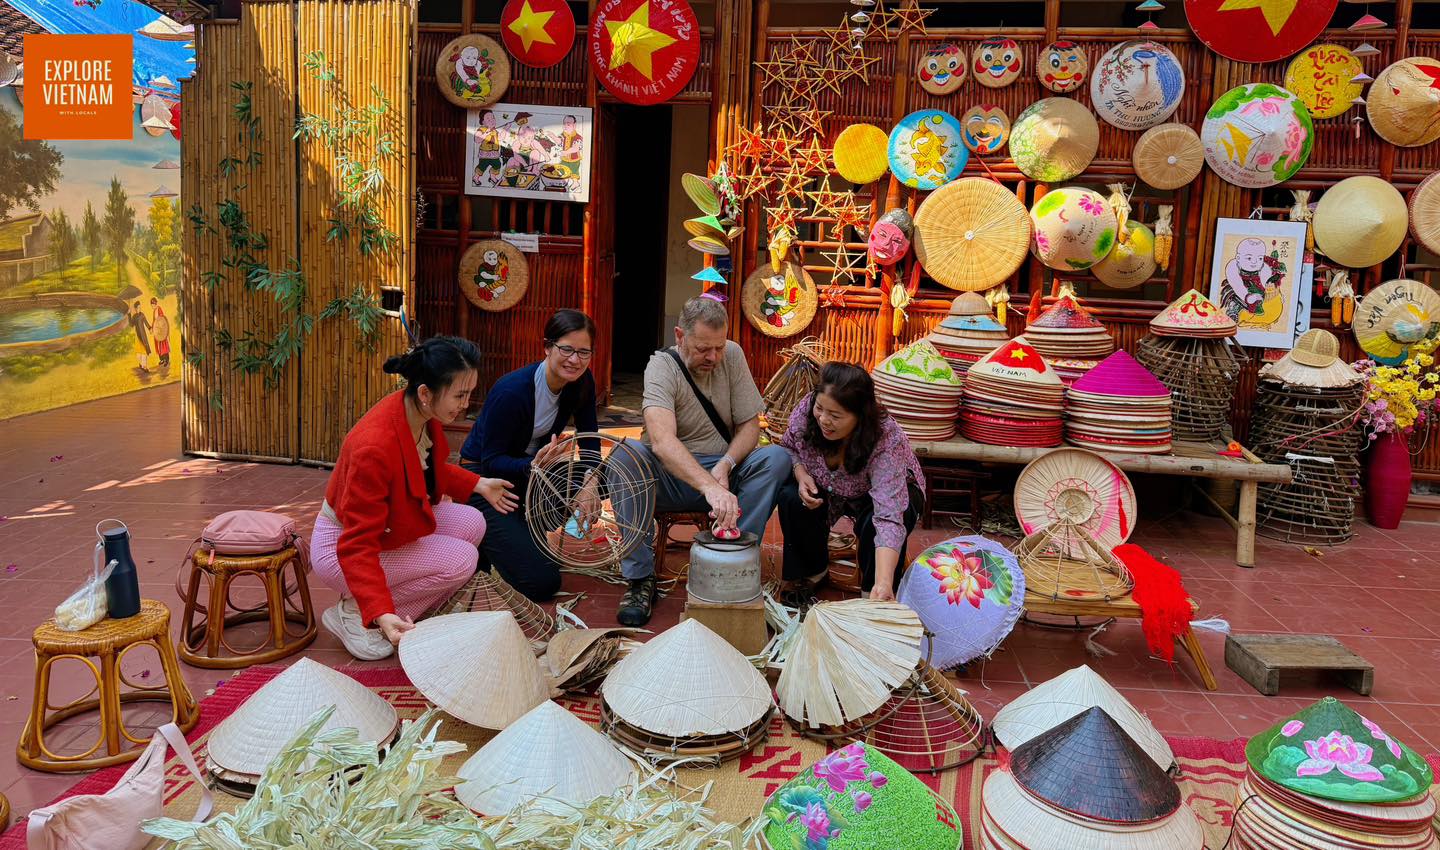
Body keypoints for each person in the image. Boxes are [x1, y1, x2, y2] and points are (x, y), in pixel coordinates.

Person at [310, 336, 518, 660]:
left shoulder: (418, 414)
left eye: (470, 393)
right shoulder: (373, 448)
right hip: (340, 546)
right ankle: (357, 614)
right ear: (425, 393)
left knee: (473, 521)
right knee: (462, 560)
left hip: (385, 530)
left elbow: (425, 471)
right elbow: (357, 543)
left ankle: (372, 605)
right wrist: (378, 610)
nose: (466, 403)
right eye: (460, 395)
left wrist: (478, 484)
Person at [609, 296, 791, 625]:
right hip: (668, 477)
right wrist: (709, 486)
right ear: (680, 336)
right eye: (704, 348)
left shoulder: (731, 355)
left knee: (776, 457)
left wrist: (725, 465)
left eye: (719, 347)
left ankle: (734, 561)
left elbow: (751, 426)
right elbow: (663, 443)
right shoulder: (661, 366)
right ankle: (639, 579)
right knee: (624, 456)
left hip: (723, 476)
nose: (714, 357)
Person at [460, 309, 600, 601]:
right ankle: (486, 530)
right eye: (566, 349)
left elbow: (590, 444)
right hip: (487, 482)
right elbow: (491, 459)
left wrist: (589, 485)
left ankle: (522, 526)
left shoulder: (583, 383)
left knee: (604, 478)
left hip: (530, 473)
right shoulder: (512, 391)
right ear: (547, 347)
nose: (575, 360)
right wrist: (533, 464)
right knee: (542, 582)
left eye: (584, 352)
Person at [777, 362, 926, 601]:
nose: (824, 420)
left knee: (884, 518)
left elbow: (889, 515)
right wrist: (801, 473)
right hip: (827, 483)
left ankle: (874, 592)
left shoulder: (886, 438)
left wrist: (883, 581)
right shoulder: (808, 410)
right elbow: (789, 447)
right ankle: (812, 571)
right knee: (792, 497)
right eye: (820, 408)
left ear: (860, 416)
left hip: (880, 494)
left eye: (835, 416)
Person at [128, 301, 152, 372]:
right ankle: (141, 364)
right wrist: (129, 314)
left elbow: (146, 322)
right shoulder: (134, 317)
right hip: (138, 336)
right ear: (135, 308)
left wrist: (150, 328)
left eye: (140, 307)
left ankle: (144, 366)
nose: (139, 308)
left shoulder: (142, 315)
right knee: (139, 352)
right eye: (138, 307)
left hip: (143, 336)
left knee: (144, 351)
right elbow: (131, 325)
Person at [149, 297, 171, 369]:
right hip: (157, 331)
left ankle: (166, 360)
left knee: (163, 345)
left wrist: (160, 326)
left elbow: (162, 319)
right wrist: (152, 328)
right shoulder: (154, 311)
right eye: (151, 305)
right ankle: (161, 359)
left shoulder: (159, 309)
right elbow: (154, 321)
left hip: (161, 331)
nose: (152, 306)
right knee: (158, 346)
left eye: (153, 305)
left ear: (155, 304)